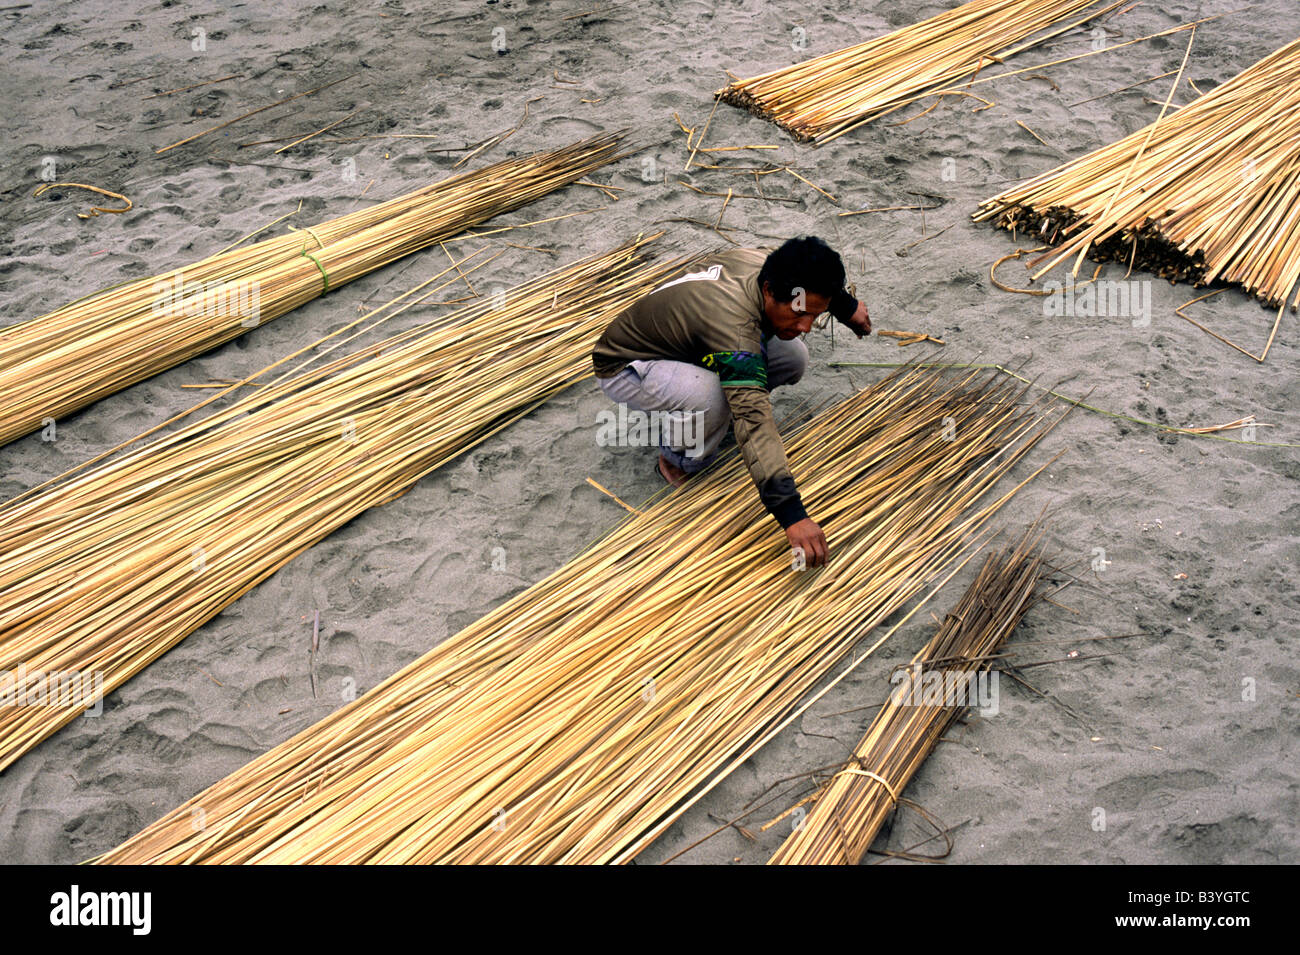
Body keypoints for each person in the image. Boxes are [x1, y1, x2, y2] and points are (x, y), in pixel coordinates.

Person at [592, 236, 870, 567]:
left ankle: (715, 410)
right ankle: (677, 459)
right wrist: (792, 515)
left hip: (692, 341)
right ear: (769, 291)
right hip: (627, 365)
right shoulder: (735, 327)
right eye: (799, 314)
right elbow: (754, 422)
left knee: (793, 357)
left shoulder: (773, 265)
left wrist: (847, 308)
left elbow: (816, 278)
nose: (806, 326)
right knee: (712, 398)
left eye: (814, 315)